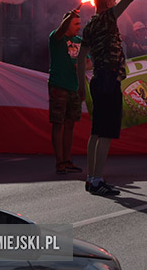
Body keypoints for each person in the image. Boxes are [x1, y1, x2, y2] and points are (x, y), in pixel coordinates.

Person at [77, 0, 147, 196]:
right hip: (108, 79)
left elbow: (81, 57)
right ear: (107, 4)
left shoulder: (89, 25)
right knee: (105, 133)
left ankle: (91, 179)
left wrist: (81, 86)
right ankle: (97, 180)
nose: (117, 5)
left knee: (96, 132)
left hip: (97, 80)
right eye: (113, 1)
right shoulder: (107, 18)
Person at [48, 9, 83, 175]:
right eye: (76, 24)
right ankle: (59, 161)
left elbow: (88, 62)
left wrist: (83, 66)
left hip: (73, 86)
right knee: (58, 123)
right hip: (59, 85)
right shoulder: (56, 38)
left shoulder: (79, 41)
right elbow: (60, 31)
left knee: (70, 124)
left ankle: (67, 160)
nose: (79, 27)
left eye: (80, 23)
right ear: (67, 24)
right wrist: (69, 15)